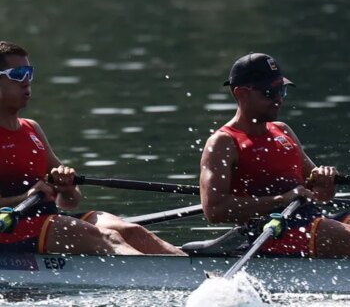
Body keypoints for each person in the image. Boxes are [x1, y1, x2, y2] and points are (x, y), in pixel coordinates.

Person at [0, 40, 185, 256]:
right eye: (18, 74)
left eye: (29, 72)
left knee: (131, 231)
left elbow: (71, 201)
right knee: (109, 237)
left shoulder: (32, 129)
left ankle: (203, 278)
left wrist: (67, 187)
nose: (27, 81)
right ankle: (162, 282)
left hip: (47, 220)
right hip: (10, 229)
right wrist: (24, 197)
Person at [200, 52, 350, 258]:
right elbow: (214, 211)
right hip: (270, 233)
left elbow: (319, 195)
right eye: (269, 93)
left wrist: (325, 180)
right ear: (241, 94)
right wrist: (282, 199)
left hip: (308, 222)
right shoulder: (223, 143)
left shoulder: (283, 131)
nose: (279, 99)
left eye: (282, 91)